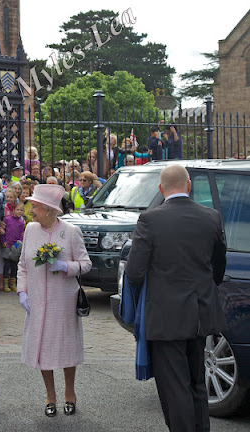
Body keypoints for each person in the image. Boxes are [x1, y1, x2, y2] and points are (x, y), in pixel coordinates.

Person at [125, 164, 226, 432]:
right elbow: (218, 268)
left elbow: (134, 272)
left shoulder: (150, 220)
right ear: (189, 185)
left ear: (161, 188)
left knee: (175, 387)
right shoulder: (211, 217)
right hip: (200, 312)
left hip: (166, 316)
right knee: (197, 383)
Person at [17, 184, 92, 417]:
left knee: (65, 346)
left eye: (35, 206)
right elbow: (22, 266)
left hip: (63, 302)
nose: (30, 211)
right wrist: (22, 291)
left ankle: (70, 392)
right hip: (37, 301)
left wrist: (64, 266)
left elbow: (85, 264)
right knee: (43, 349)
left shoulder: (70, 232)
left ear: (49, 209)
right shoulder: (30, 230)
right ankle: (50, 396)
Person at [0, 201, 25, 292]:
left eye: (21, 210)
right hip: (7, 245)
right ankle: (5, 284)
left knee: (14, 266)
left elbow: (21, 235)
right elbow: (3, 232)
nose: (19, 212)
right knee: (7, 265)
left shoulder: (22, 223)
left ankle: (12, 283)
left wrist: (19, 244)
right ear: (13, 210)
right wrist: (3, 241)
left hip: (16, 247)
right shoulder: (7, 219)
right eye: (17, 210)